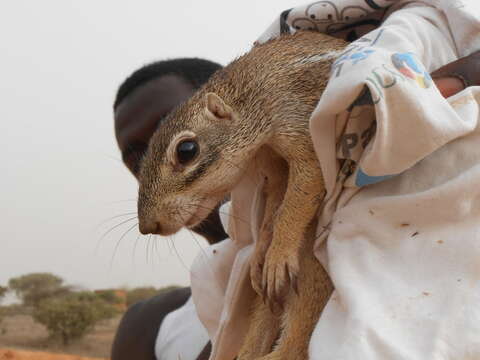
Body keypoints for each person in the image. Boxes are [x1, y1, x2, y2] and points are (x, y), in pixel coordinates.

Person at [111, 23, 480, 360]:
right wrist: (271, 234)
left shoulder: (270, 99)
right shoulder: (154, 321)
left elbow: (310, 168)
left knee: (305, 250)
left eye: (185, 152)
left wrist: (284, 239)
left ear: (218, 110)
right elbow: (276, 184)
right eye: (137, 163)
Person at [111, 58, 226, 360]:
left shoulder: (352, 271)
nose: (160, 176)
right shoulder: (150, 324)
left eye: (183, 146)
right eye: (139, 162)